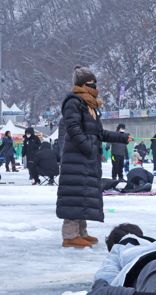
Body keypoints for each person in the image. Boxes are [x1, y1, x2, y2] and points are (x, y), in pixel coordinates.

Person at [56, 66, 131, 248]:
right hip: (78, 157)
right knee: (74, 195)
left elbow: (98, 133)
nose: (94, 86)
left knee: (83, 195)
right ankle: (70, 235)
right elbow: (73, 128)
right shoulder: (73, 102)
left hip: (86, 158)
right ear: (82, 84)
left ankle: (81, 232)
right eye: (91, 83)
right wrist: (88, 147)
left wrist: (121, 137)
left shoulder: (90, 104)